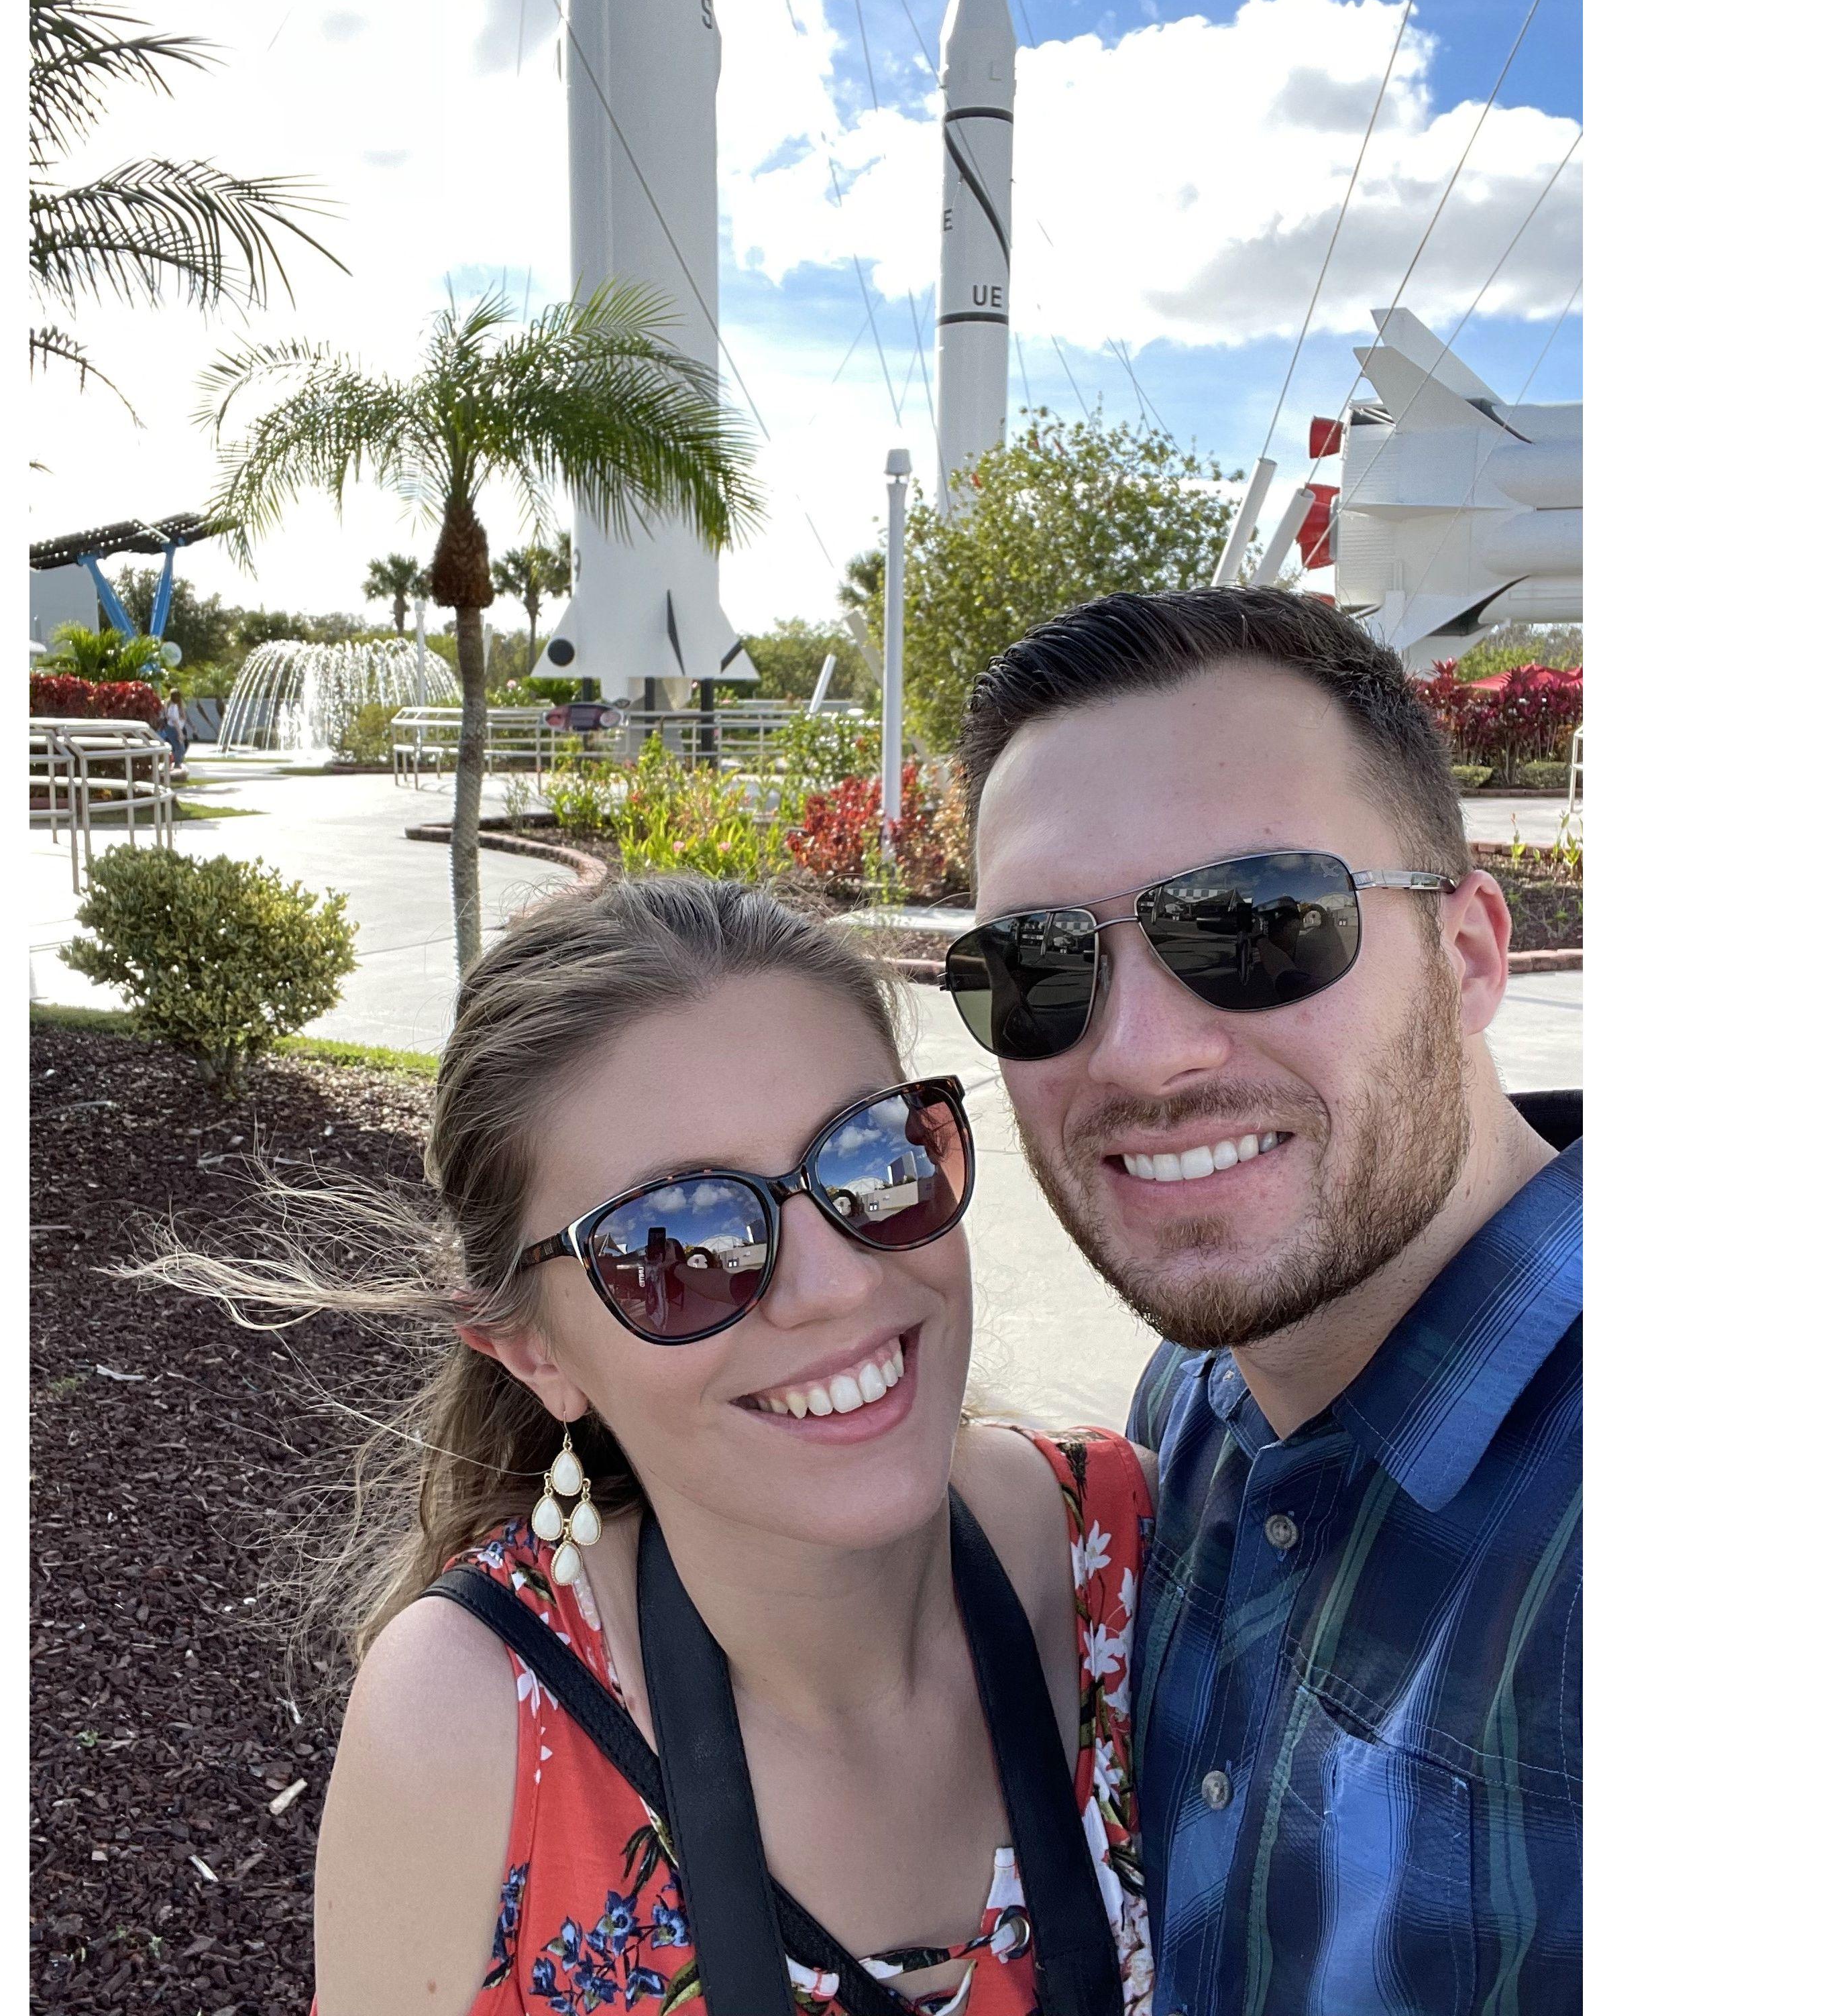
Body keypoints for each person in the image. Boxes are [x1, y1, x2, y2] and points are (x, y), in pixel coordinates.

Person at [148, 876, 1158, 2013]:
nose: (836, 1284)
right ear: (533, 1350)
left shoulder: (1124, 1547)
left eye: (871, 1156)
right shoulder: (469, 1722)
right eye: (680, 1244)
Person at [943, 588, 1582, 2015]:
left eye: (1253, 921)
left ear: (1467, 956)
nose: (1139, 1052)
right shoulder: (1195, 1399)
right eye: (1039, 967)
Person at [158, 689, 190, 769]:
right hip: (174, 729)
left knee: (177, 748)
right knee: (181, 749)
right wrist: (180, 733)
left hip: (171, 728)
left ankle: (175, 763)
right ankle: (175, 764)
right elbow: (175, 721)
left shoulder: (170, 705)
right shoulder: (173, 707)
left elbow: (170, 717)